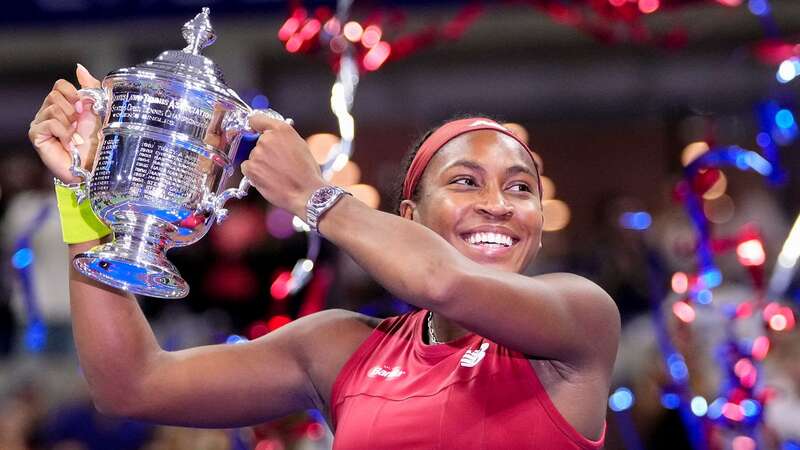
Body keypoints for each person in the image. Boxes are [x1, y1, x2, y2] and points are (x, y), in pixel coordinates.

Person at [28, 65, 621, 449]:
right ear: (409, 217)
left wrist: (312, 196)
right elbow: (131, 384)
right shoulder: (341, 348)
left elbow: (441, 281)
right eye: (466, 182)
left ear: (538, 228)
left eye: (521, 189)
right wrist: (81, 191)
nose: (498, 205)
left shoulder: (579, 317)